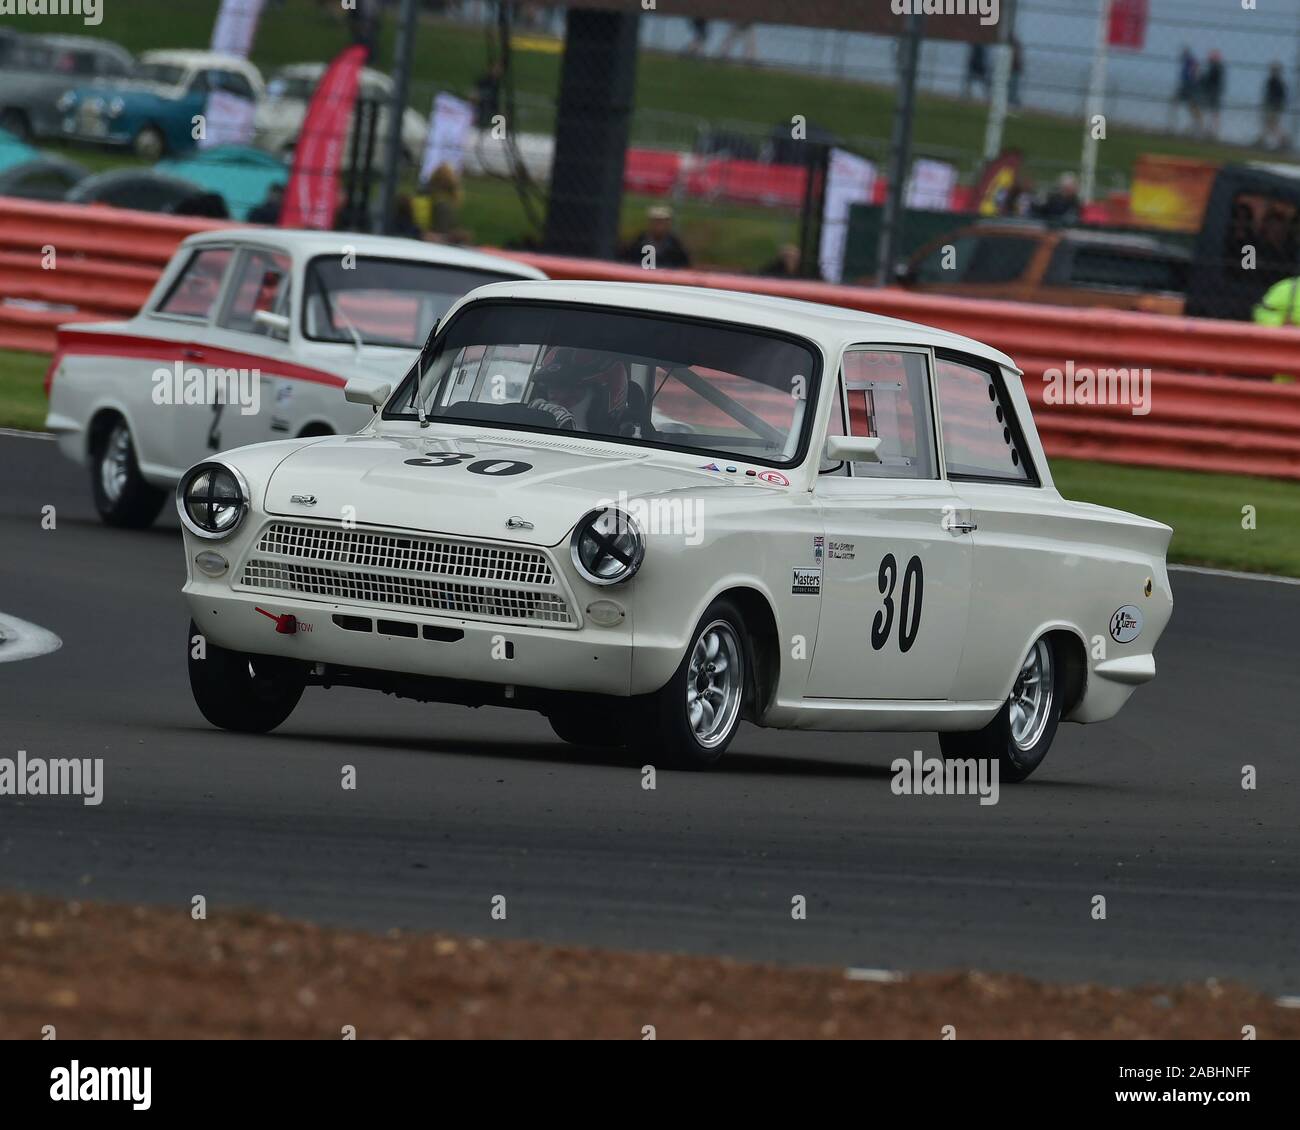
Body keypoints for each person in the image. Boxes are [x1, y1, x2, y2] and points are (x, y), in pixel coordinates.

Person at [620, 205, 691, 269]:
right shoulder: (639, 242)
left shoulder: (675, 245)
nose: (659, 225)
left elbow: (683, 266)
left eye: (662, 222)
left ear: (668, 223)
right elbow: (628, 262)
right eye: (656, 221)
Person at [1262, 63, 1288, 151]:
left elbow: (1280, 96)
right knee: (1270, 125)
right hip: (1273, 106)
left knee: (1272, 125)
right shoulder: (1273, 81)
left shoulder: (1276, 82)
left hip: (1274, 106)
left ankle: (1281, 141)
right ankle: (1276, 141)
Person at [1172, 47, 1199, 133]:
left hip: (1188, 86)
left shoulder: (1190, 60)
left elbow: (1195, 70)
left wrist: (1193, 78)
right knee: (1177, 103)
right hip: (1185, 86)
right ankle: (1176, 123)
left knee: (1191, 106)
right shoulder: (1187, 60)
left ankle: (1193, 125)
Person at [1200, 51, 1225, 139]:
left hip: (1213, 93)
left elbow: (1208, 80)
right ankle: (1211, 131)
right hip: (1213, 93)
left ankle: (1211, 132)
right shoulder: (1217, 68)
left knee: (1212, 113)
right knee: (1212, 113)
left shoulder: (1216, 68)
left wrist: (1201, 77)